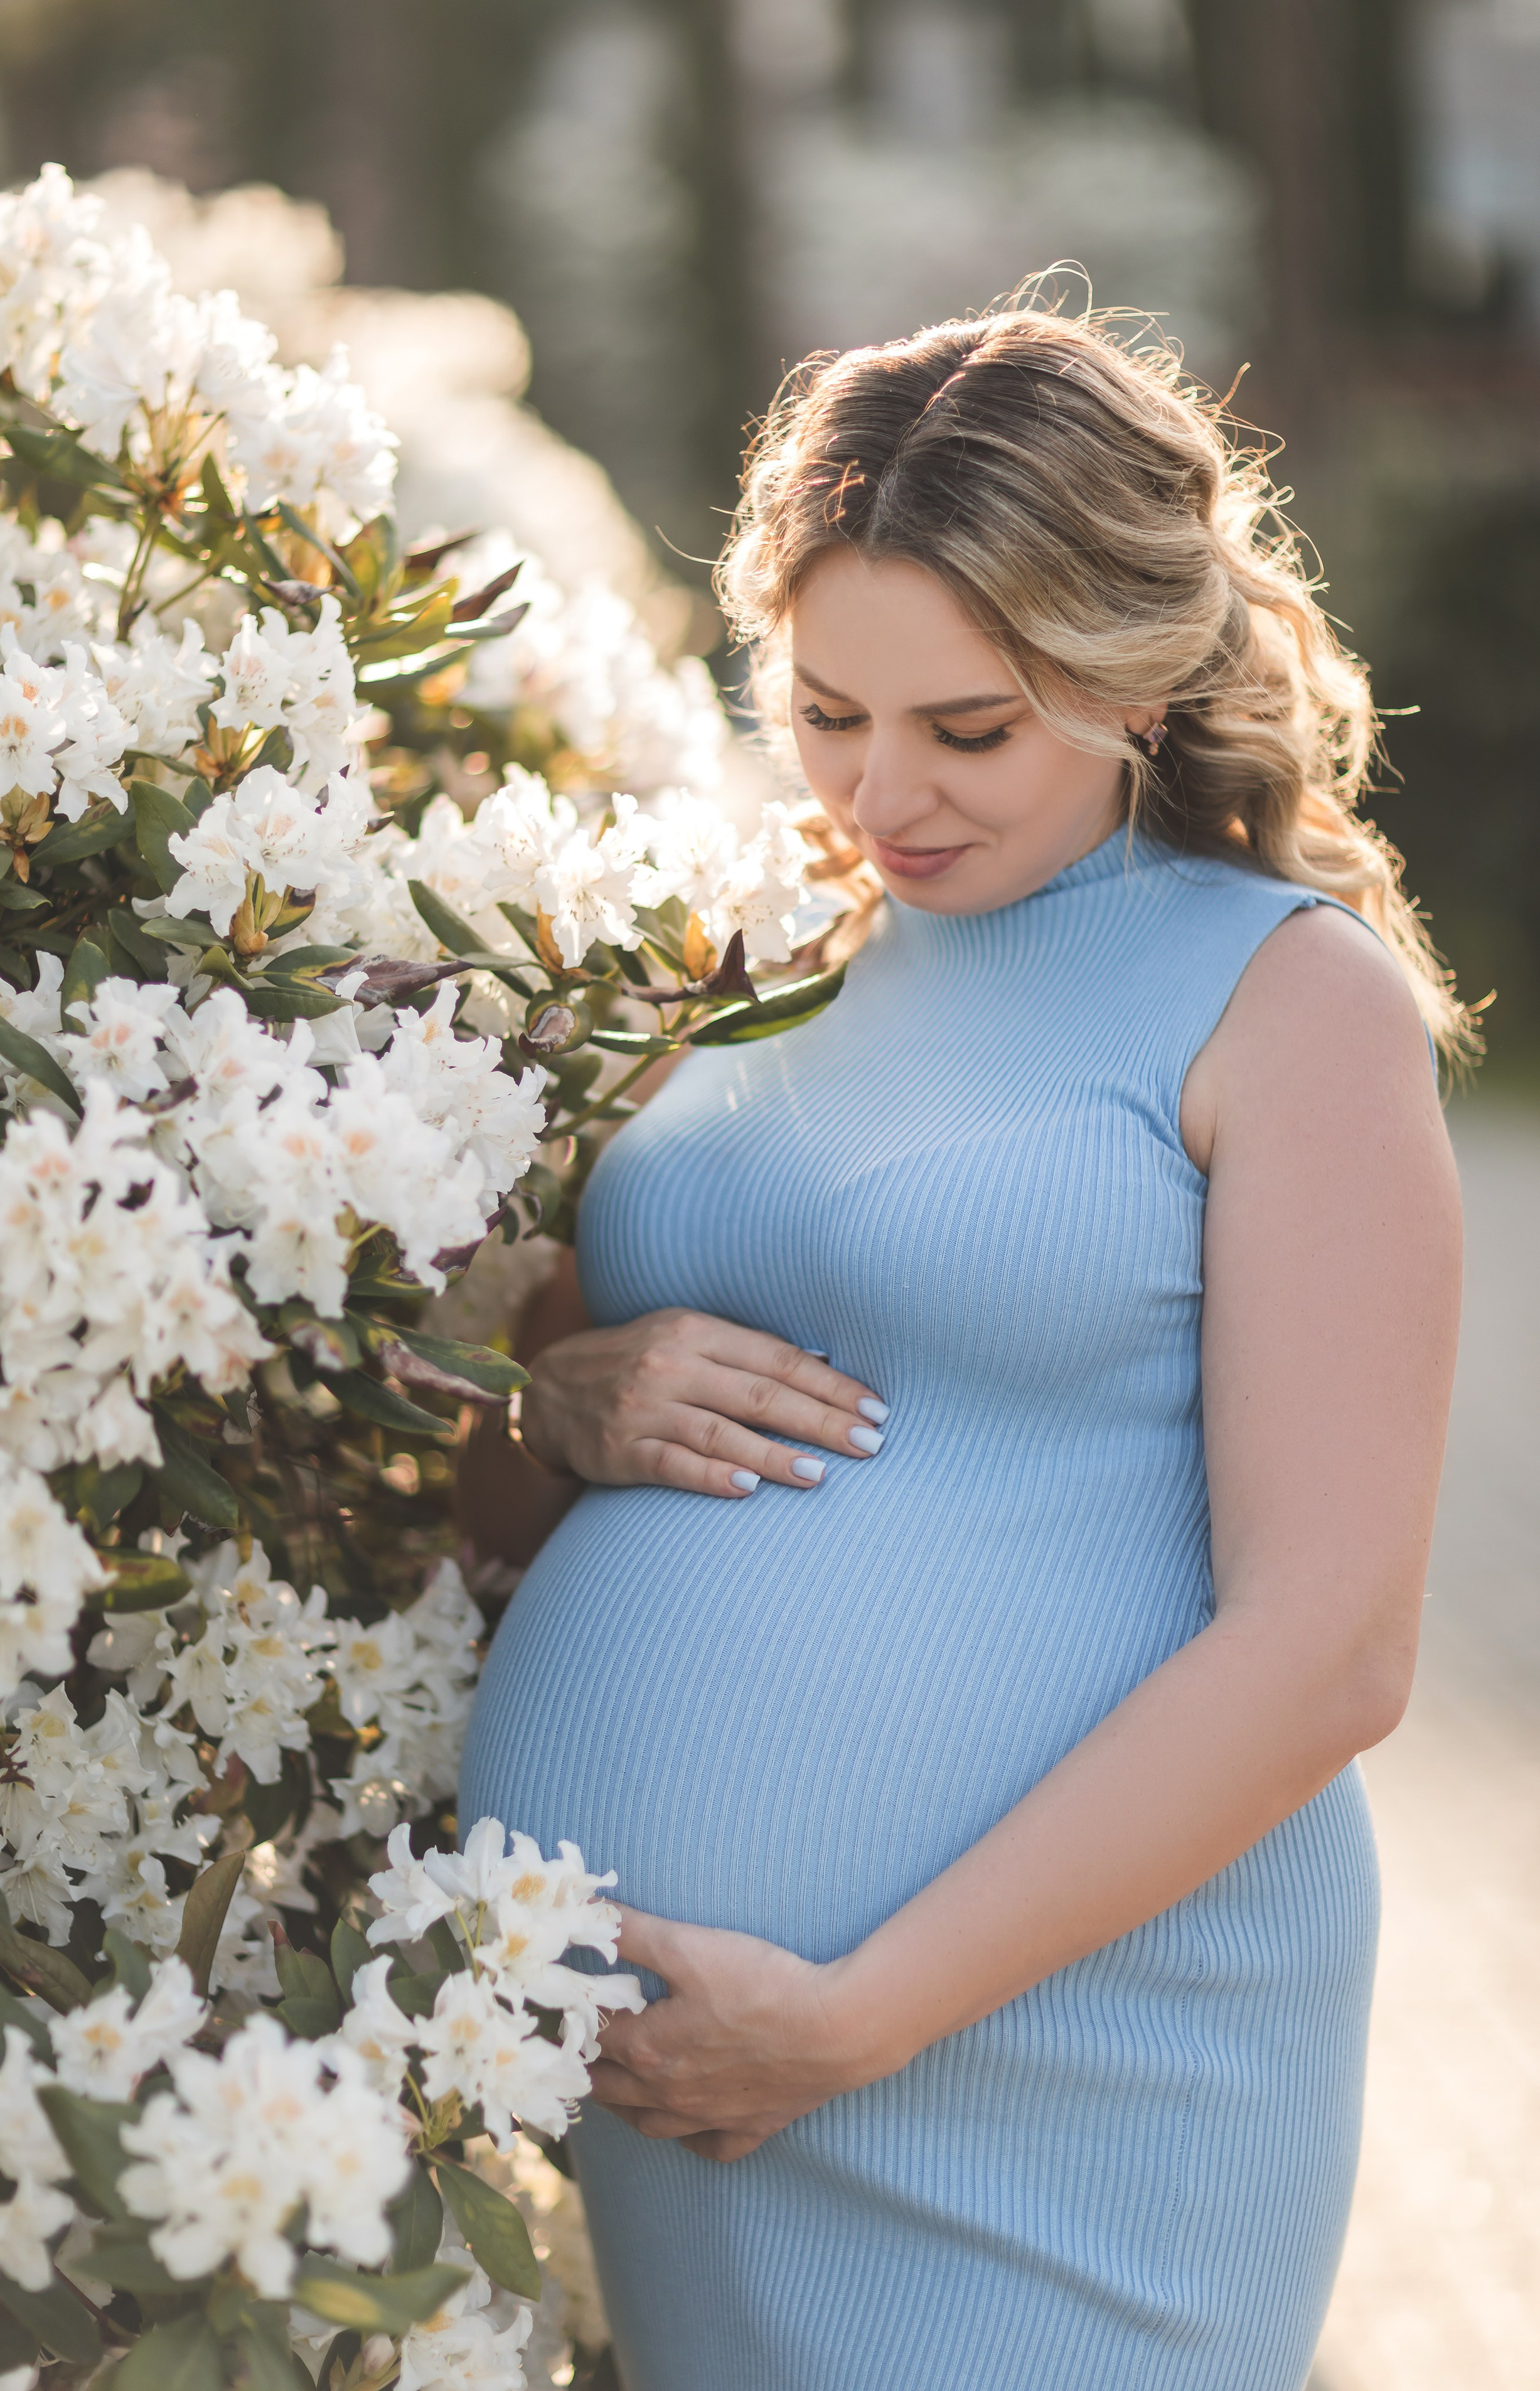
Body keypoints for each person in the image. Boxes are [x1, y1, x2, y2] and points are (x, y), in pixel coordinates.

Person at [457, 302, 1464, 2390]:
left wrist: (849, 2015)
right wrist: (556, 1408)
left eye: (970, 729)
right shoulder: (737, 974)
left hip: (1055, 2062)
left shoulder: (1289, 1004)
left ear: (1137, 671)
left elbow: (1332, 1650)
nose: (882, 793)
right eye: (827, 710)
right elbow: (482, 1514)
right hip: (702, 2074)